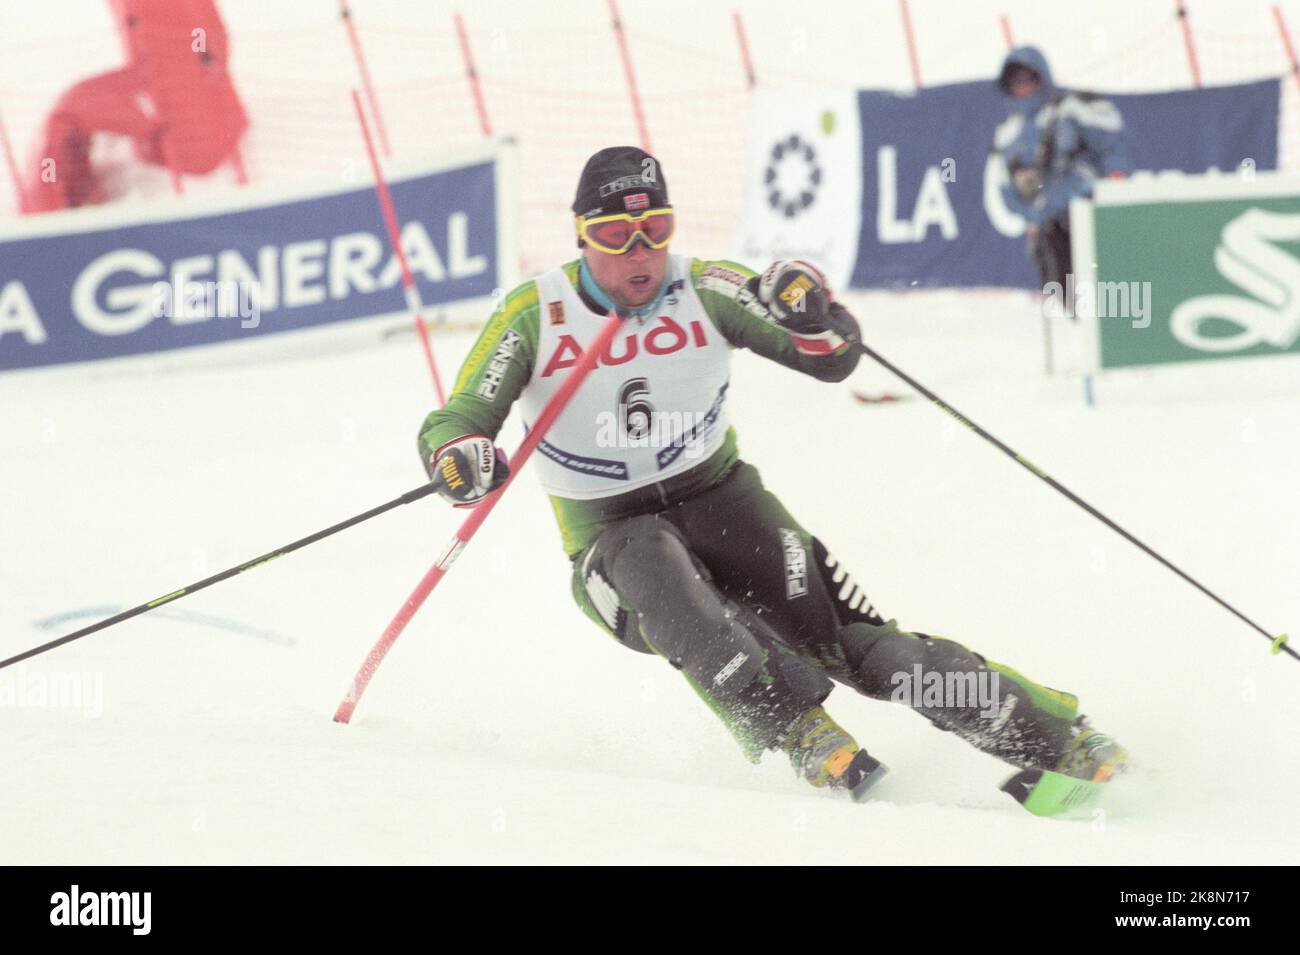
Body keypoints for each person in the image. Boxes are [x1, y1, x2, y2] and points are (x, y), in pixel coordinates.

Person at [417, 146, 1126, 800]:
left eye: (655, 230)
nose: (639, 254)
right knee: (653, 561)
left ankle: (1060, 740)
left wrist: (809, 304)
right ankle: (799, 730)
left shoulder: (706, 287)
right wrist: (459, 458)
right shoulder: (535, 312)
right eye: (614, 237)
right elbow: (458, 418)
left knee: (864, 648)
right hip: (610, 540)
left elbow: (831, 354)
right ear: (580, 235)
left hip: (723, 500)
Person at [993, 46, 1131, 316]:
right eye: (1016, 82)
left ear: (1041, 78)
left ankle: (1114, 336)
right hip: (1048, 225)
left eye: (1029, 79)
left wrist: (1114, 183)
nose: (1024, 88)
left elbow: (1112, 148)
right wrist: (1029, 213)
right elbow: (1005, 188)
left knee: (1108, 290)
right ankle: (1084, 336)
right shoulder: (1008, 134)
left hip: (1085, 212)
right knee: (1064, 291)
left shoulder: (1069, 110)